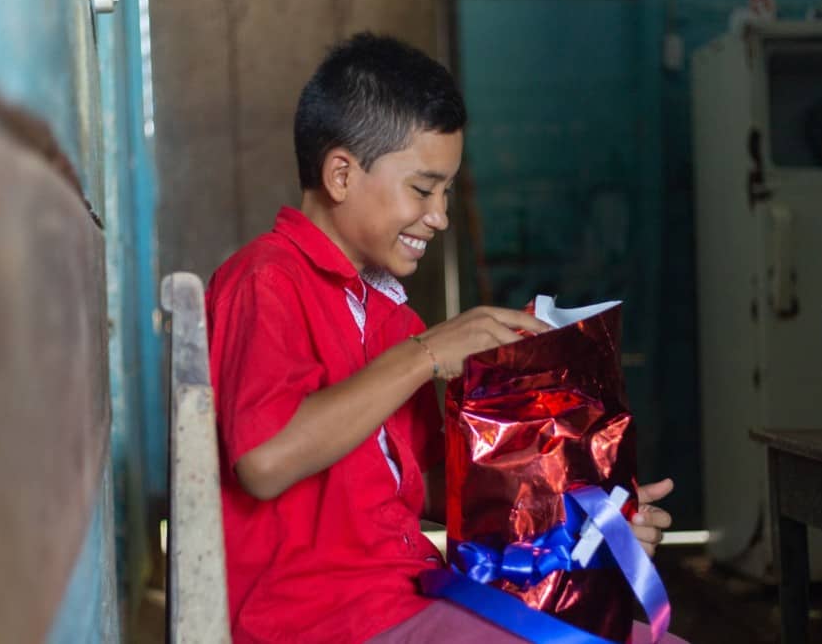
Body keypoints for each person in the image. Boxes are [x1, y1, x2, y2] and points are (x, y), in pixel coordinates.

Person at [206, 32, 673, 643]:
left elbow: (434, 490)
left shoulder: (392, 316)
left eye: (447, 192)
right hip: (321, 621)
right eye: (423, 189)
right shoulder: (266, 280)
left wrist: (578, 525)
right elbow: (263, 462)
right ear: (341, 174)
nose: (441, 216)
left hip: (413, 593)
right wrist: (426, 355)